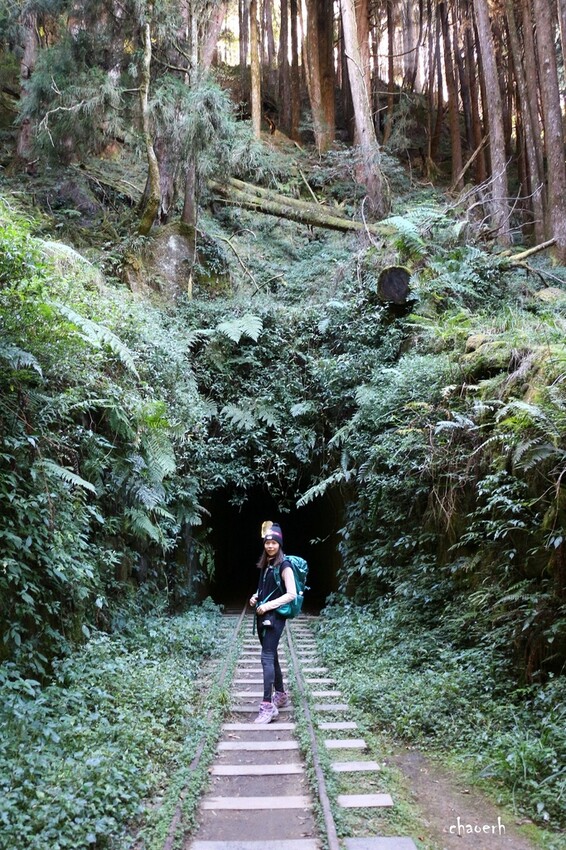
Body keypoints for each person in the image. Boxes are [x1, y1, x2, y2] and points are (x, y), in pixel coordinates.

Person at [249, 521, 297, 724]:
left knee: (266, 658)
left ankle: (267, 706)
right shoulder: (266, 564)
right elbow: (266, 589)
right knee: (272, 655)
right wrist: (255, 597)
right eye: (267, 542)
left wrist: (267, 607)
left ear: (280, 544)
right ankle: (281, 694)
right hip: (263, 616)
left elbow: (291, 594)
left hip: (274, 618)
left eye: (274, 543)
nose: (270, 546)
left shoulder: (285, 565)